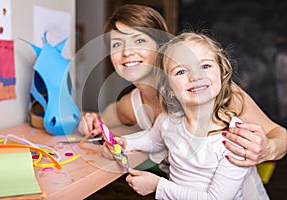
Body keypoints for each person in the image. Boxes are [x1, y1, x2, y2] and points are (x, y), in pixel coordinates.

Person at [78, 4, 286, 170]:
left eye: (139, 40)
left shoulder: (207, 90)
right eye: (116, 44)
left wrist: (268, 149)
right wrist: (90, 121)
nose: (126, 52)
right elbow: (100, 120)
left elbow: (280, 134)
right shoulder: (130, 105)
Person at [120, 31, 269, 199]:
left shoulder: (235, 139)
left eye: (205, 66)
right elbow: (152, 140)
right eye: (181, 71)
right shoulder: (168, 121)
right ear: (169, 89)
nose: (195, 76)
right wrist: (125, 142)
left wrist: (157, 185)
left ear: (222, 72)